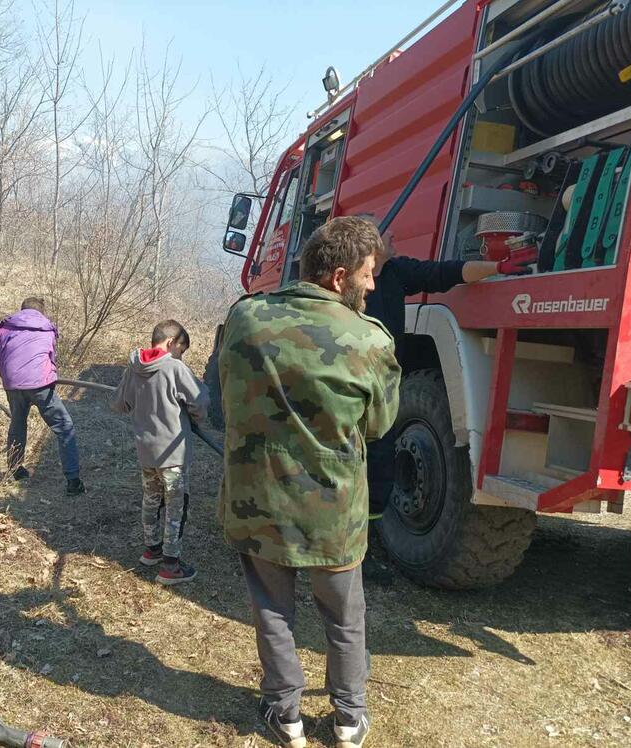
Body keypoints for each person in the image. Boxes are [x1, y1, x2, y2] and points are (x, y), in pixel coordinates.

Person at [218, 216, 401, 748]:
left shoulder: (245, 316)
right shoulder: (369, 340)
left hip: (258, 501)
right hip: (333, 511)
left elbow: (226, 393)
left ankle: (285, 714)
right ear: (339, 276)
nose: (373, 285)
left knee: (272, 610)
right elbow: (379, 424)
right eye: (368, 274)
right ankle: (349, 718)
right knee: (345, 617)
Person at [362, 216, 537, 518]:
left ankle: (365, 527)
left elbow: (445, 273)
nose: (392, 233)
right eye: (384, 229)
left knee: (379, 459)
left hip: (383, 387)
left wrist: (497, 267)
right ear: (368, 244)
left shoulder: (395, 272)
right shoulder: (342, 284)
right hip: (354, 383)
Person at [111, 320, 209, 586]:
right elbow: (201, 400)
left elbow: (119, 403)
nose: (181, 356)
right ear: (170, 342)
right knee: (176, 507)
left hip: (146, 451)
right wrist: (195, 416)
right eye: (181, 350)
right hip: (173, 454)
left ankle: (151, 549)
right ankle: (171, 566)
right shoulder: (175, 368)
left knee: (152, 499)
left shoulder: (133, 367)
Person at [0, 297, 85, 496]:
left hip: (12, 383)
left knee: (17, 423)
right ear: (41, 312)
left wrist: (10, 379)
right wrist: (49, 378)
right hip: (40, 384)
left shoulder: (4, 328)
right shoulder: (47, 328)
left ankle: (16, 470)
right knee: (64, 426)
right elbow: (51, 358)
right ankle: (73, 481)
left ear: (22, 310)